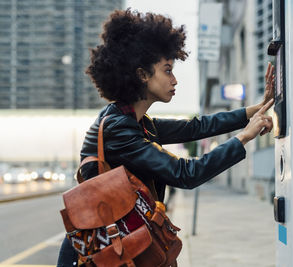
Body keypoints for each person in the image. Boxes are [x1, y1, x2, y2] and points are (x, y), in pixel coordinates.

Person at [57, 8, 274, 266]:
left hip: (123, 245)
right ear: (142, 75)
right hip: (98, 253)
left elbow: (196, 127)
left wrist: (255, 109)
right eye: (167, 70)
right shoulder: (118, 129)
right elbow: (185, 173)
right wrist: (243, 138)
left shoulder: (138, 123)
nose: (174, 80)